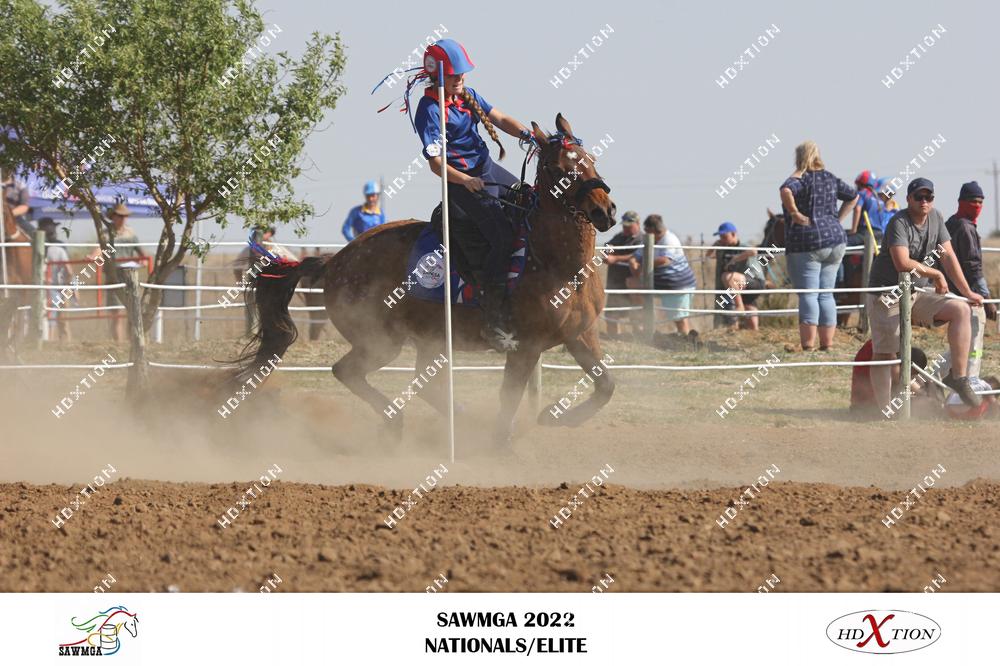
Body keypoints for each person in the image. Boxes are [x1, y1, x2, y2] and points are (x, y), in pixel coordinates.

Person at [412, 38, 533, 351]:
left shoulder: (468, 95)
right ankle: (493, 317)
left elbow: (500, 118)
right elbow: (436, 165)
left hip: (488, 170)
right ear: (438, 76)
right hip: (460, 183)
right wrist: (465, 180)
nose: (461, 78)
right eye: (454, 74)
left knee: (530, 205)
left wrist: (529, 136)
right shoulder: (429, 110)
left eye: (462, 73)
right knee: (502, 237)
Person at [866, 177, 984, 409]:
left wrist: (968, 292)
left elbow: (948, 256)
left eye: (928, 197)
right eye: (919, 197)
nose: (924, 201)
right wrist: (936, 274)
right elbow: (902, 263)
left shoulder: (936, 218)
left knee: (961, 309)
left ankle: (958, 378)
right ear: (908, 199)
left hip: (916, 291)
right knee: (886, 355)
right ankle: (884, 410)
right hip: (887, 293)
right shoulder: (899, 222)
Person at [779, 141, 858, 351]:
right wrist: (837, 219)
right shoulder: (830, 178)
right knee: (826, 294)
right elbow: (853, 196)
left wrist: (795, 213)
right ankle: (827, 345)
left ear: (799, 157)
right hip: (836, 239)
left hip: (807, 242)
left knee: (809, 294)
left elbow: (785, 190)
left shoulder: (801, 179)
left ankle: (808, 346)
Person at [628, 214, 697, 335]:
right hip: (660, 282)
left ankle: (686, 340)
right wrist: (633, 261)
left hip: (677, 284)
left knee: (679, 318)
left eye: (647, 230)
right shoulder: (649, 239)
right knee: (633, 283)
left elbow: (665, 260)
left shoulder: (669, 239)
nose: (645, 232)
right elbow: (638, 254)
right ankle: (644, 324)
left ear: (653, 230)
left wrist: (643, 266)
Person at [234, 226, 299, 335]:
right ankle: (252, 334)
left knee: (271, 310)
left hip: (272, 286)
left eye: (262, 232)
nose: (258, 234)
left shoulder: (276, 248)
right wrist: (242, 284)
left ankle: (272, 334)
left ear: (269, 234)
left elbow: (293, 261)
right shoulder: (250, 249)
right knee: (252, 310)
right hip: (255, 284)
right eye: (256, 232)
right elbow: (236, 267)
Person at [707, 222, 758, 331]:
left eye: (724, 236)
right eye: (720, 237)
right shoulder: (725, 248)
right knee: (746, 305)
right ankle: (752, 330)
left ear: (734, 234)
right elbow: (709, 256)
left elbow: (754, 251)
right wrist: (715, 245)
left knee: (727, 278)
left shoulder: (742, 246)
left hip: (748, 280)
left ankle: (739, 310)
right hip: (733, 283)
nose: (722, 239)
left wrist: (735, 259)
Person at [603, 210, 641, 338]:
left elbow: (639, 255)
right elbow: (608, 245)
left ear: (637, 224)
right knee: (612, 315)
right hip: (616, 282)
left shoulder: (642, 239)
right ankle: (614, 339)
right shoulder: (619, 237)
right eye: (624, 226)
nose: (626, 228)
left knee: (636, 314)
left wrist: (615, 258)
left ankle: (639, 339)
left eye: (629, 226)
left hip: (633, 283)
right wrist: (607, 249)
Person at [39, 217, 73, 341]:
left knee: (52, 317)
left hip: (49, 286)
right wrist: (70, 286)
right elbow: (69, 270)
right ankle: (65, 342)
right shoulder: (59, 247)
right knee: (62, 318)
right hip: (60, 285)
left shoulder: (41, 246)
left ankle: (53, 342)